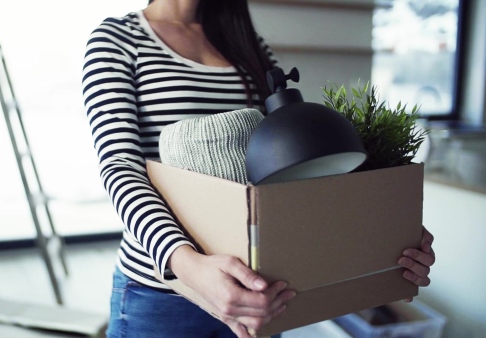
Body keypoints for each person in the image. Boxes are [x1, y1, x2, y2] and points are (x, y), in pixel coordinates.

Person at [81, 1, 436, 337]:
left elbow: (293, 158)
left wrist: (385, 233)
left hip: (260, 289)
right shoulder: (118, 40)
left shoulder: (247, 45)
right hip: (163, 291)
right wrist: (189, 266)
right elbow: (120, 167)